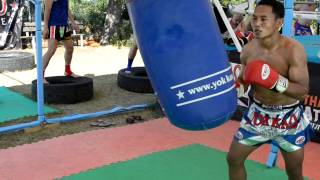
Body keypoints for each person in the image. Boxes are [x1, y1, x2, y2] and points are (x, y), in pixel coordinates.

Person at [227, 1, 310, 180]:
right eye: (255, 18)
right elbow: (244, 81)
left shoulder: (293, 50)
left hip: (288, 118)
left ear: (279, 23)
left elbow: (302, 91)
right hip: (258, 115)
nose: (257, 24)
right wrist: (237, 81)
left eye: (264, 19)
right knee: (233, 158)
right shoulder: (248, 50)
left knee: (294, 172)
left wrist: (274, 82)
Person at [42, 0, 79, 83]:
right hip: (53, 26)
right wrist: (45, 27)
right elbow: (47, 10)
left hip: (64, 26)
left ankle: (67, 71)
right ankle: (40, 75)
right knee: (51, 51)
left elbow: (67, 9)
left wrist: (73, 22)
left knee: (70, 49)